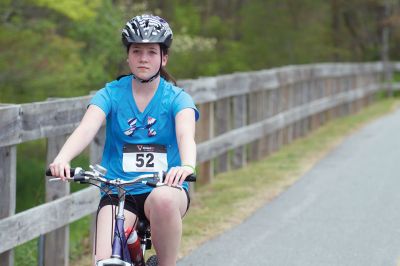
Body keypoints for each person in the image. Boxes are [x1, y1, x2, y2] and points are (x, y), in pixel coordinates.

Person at [48, 14, 199, 266]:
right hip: (118, 189)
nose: (143, 58)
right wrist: (63, 158)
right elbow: (86, 128)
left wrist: (186, 166)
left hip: (164, 188)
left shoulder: (177, 98)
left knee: (162, 199)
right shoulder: (110, 93)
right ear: (127, 56)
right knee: (106, 259)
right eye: (136, 50)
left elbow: (186, 135)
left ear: (164, 58)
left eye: (151, 52)